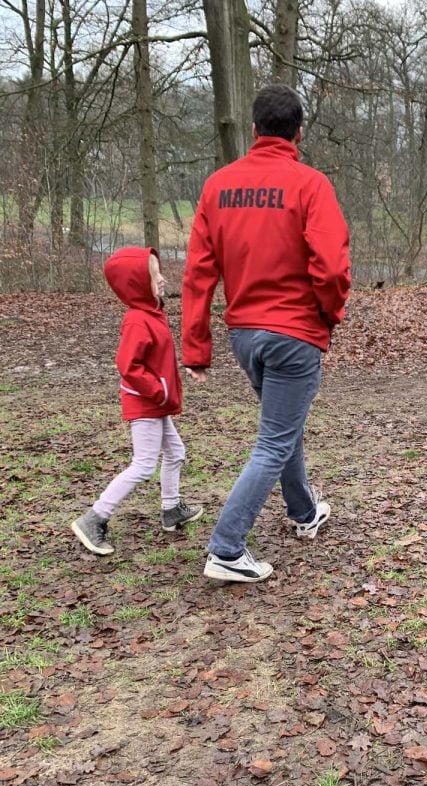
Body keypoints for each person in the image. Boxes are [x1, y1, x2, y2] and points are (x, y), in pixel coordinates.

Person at [181, 83, 351, 584]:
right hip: (294, 333)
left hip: (246, 337)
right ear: (299, 131)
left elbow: (198, 272)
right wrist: (329, 314)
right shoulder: (310, 184)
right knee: (274, 440)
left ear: (254, 130)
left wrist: (196, 347)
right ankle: (226, 547)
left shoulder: (218, 186)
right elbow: (333, 267)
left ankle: (304, 512)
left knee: (282, 427)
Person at [71, 247, 202, 555]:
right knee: (143, 465)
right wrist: (159, 390)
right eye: (154, 274)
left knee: (176, 452)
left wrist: (165, 390)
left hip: (156, 403)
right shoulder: (137, 320)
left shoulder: (152, 314)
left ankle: (171, 510)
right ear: (137, 283)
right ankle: (94, 518)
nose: (162, 279)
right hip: (145, 404)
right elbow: (128, 366)